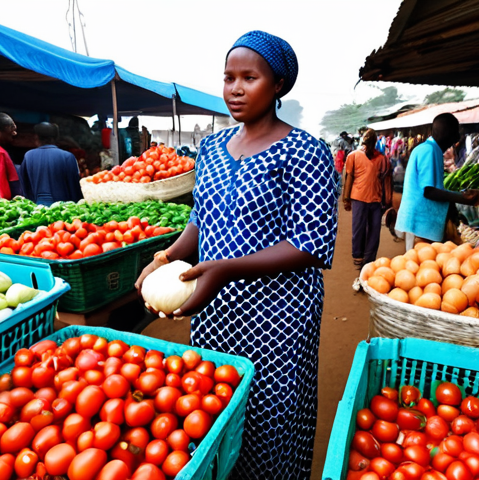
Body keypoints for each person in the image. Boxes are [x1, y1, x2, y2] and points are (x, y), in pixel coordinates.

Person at [135, 30, 338, 480]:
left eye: (250, 77)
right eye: (229, 78)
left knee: (271, 416)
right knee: (213, 407)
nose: (236, 89)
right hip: (215, 311)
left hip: (279, 316)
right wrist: (166, 259)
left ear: (279, 85)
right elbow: (201, 219)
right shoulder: (211, 146)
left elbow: (310, 243)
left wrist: (224, 269)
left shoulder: (306, 151)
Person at [395, 113, 477, 249]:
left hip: (421, 224)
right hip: (421, 225)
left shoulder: (429, 149)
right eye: (455, 135)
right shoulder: (429, 150)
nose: (455, 141)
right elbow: (429, 191)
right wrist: (461, 198)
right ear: (448, 134)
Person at [342, 129, 390, 268]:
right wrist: (346, 198)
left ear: (374, 143)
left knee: (374, 230)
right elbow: (349, 177)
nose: (367, 146)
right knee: (359, 228)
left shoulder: (382, 159)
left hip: (375, 199)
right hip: (359, 198)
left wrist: (387, 201)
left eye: (370, 143)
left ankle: (369, 259)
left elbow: (386, 180)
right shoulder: (354, 156)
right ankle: (357, 255)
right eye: (366, 143)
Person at [20, 122, 83, 206]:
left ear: (36, 137)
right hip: (63, 210)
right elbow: (74, 188)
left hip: (38, 209)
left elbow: (24, 185)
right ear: (56, 138)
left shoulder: (28, 156)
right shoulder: (68, 157)